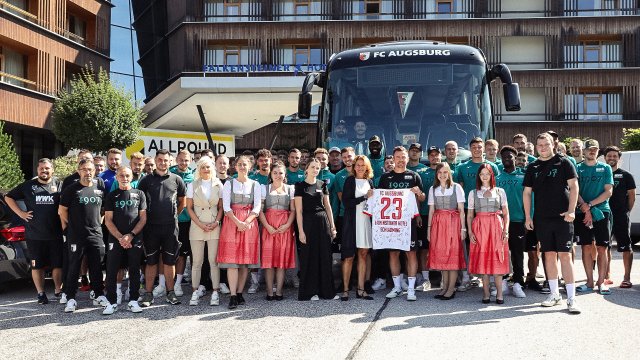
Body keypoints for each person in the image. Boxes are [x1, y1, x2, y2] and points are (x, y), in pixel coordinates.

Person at [523, 133, 581, 314]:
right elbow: (526, 193)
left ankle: (571, 299)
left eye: (546, 144)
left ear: (553, 144)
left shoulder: (564, 162)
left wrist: (572, 210)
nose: (542, 147)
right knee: (548, 255)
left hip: (563, 217)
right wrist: (528, 217)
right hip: (542, 218)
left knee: (565, 255)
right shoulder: (532, 167)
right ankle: (554, 294)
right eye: (539, 144)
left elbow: (574, 187)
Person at [5, 158, 63, 304]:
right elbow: (8, 197)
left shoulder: (59, 184)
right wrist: (21, 213)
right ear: (37, 170)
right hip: (34, 234)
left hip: (55, 233)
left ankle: (58, 290)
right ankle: (41, 293)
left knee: (58, 264)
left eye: (47, 168)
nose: (44, 171)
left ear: (52, 170)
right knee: (37, 266)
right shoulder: (29, 185)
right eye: (42, 168)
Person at [137, 149, 187, 306]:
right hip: (150, 228)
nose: (163, 163)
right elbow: (140, 204)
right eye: (160, 160)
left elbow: (182, 202)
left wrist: (172, 216)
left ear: (170, 162)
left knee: (169, 261)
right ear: (155, 160)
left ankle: (170, 293)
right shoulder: (145, 181)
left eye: (166, 160)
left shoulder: (177, 179)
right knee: (151, 261)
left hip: (170, 228)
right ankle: (148, 294)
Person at [58, 159, 107, 312]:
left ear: (94, 171)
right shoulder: (71, 189)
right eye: (84, 169)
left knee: (97, 266)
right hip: (76, 236)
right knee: (74, 267)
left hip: (95, 235)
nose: (88, 172)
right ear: (79, 171)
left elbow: (103, 211)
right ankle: (71, 298)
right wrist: (71, 225)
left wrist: (98, 224)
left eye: (90, 169)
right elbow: (62, 211)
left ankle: (98, 294)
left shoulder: (100, 189)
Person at [379, 146, 425, 301]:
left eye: (403, 157)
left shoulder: (414, 176)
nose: (400, 160)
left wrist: (419, 194)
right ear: (393, 158)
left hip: (409, 221)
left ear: (407, 159)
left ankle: (411, 289)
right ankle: (397, 286)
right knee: (393, 253)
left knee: (411, 253)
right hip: (392, 223)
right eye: (397, 157)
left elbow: (423, 198)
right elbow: (380, 200)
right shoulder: (385, 178)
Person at [456, 137, 500, 291]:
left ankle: (492, 278)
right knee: (469, 243)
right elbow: (459, 190)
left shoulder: (492, 166)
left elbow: (497, 190)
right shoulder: (462, 167)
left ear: (483, 148)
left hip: (488, 212)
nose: (477, 149)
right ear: (470, 148)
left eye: (479, 147)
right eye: (474, 146)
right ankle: (468, 277)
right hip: (470, 210)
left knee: (489, 244)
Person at [217, 156, 261, 309]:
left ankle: (240, 292)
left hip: (249, 224)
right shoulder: (229, 184)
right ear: (235, 167)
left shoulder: (255, 184)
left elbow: (257, 207)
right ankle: (233, 295)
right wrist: (238, 223)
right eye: (240, 164)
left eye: (245, 164)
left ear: (249, 167)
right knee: (232, 262)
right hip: (232, 223)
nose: (242, 167)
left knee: (245, 263)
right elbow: (226, 207)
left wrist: (246, 222)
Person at [103, 166, 147, 315]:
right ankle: (111, 302)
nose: (124, 178)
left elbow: (143, 218)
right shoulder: (111, 195)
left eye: (127, 175)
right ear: (117, 177)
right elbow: (108, 220)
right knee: (112, 270)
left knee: (134, 269)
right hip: (116, 239)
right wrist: (121, 237)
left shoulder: (139, 194)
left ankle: (133, 300)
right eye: (121, 175)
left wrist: (131, 235)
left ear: (131, 177)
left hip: (135, 238)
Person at [295, 159, 338, 301]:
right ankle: (310, 291)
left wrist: (332, 226)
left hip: (322, 222)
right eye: (313, 167)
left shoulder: (322, 185)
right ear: (306, 169)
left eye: (318, 167)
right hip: (307, 223)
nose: (315, 170)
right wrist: (301, 231)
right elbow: (299, 211)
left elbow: (328, 207)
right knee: (310, 257)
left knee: (325, 256)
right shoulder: (300, 186)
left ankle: (327, 292)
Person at [467, 164, 510, 304]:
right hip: (480, 228)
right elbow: (469, 215)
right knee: (483, 259)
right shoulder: (473, 193)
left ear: (492, 175)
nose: (484, 176)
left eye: (487, 173)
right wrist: (470, 232)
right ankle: (485, 294)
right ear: (478, 176)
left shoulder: (500, 191)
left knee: (497, 258)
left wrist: (506, 230)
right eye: (482, 174)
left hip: (496, 227)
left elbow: (506, 214)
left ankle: (499, 294)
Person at [575, 139, 613, 295]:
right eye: (589, 149)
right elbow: (574, 190)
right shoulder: (577, 168)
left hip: (601, 211)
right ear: (583, 151)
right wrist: (584, 207)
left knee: (602, 247)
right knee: (586, 246)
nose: (592, 151)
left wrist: (589, 205)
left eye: (595, 149)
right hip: (582, 212)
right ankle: (589, 281)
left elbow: (608, 191)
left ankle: (601, 282)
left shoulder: (605, 168)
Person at [186, 157, 224, 306]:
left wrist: (216, 222)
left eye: (208, 167)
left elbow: (221, 207)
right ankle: (195, 291)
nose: (206, 170)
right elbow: (189, 207)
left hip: (214, 226)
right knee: (196, 262)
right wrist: (201, 224)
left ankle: (215, 292)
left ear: (212, 168)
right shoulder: (192, 185)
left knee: (213, 261)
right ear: (199, 169)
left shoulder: (218, 184)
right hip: (197, 226)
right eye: (203, 167)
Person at [427, 162, 466, 300]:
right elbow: (431, 210)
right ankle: (444, 286)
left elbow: (461, 210)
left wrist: (463, 228)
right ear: (436, 174)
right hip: (438, 224)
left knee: (453, 254)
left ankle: (451, 288)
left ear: (449, 173)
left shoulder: (457, 188)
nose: (442, 175)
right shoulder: (433, 189)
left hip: (453, 223)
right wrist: (429, 229)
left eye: (445, 172)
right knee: (442, 254)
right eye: (440, 173)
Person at [259, 161, 296, 300]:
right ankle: (269, 292)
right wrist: (267, 226)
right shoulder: (264, 188)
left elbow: (293, 210)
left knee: (281, 261)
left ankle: (279, 291)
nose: (278, 175)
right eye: (275, 172)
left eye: (280, 172)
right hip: (268, 226)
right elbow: (260, 211)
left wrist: (287, 225)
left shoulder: (290, 189)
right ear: (271, 174)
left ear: (285, 174)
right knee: (269, 262)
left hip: (284, 227)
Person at [340, 155, 374, 301]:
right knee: (349, 257)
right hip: (352, 222)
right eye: (357, 165)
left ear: (367, 167)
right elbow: (346, 203)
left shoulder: (370, 182)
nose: (360, 167)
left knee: (363, 255)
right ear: (354, 167)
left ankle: (361, 289)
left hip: (366, 222)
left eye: (363, 165)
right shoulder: (349, 181)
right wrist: (364, 197)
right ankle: (346, 290)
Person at [496, 146, 528, 298]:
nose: (507, 159)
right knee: (501, 253)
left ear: (516, 158)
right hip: (500, 222)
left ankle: (518, 283)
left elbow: (530, 200)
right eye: (504, 157)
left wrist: (529, 218)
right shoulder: (497, 179)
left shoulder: (523, 176)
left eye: (510, 157)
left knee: (517, 253)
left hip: (518, 220)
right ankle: (502, 283)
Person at [605, 146, 636, 287]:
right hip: (604, 215)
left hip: (621, 216)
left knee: (626, 246)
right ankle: (607, 276)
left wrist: (625, 212)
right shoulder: (603, 174)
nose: (611, 158)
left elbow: (632, 197)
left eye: (614, 156)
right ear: (605, 158)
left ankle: (626, 277)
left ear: (619, 158)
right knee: (605, 247)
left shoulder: (626, 175)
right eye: (609, 156)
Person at [169, 150, 195, 298]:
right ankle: (171, 283)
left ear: (190, 161)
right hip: (174, 220)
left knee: (187, 254)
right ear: (176, 160)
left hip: (190, 221)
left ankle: (180, 283)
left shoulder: (194, 175)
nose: (183, 163)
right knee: (174, 254)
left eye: (186, 160)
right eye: (181, 160)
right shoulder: (171, 174)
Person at [415, 146, 441, 291]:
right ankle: (426, 279)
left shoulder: (447, 172)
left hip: (443, 215)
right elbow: (418, 195)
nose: (434, 157)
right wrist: (418, 213)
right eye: (431, 155)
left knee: (441, 247)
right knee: (424, 247)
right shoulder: (422, 173)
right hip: (425, 214)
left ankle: (444, 277)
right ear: (428, 157)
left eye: (436, 155)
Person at [247, 148, 272, 293]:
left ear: (271, 161)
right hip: (255, 219)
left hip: (273, 219)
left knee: (271, 250)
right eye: (261, 160)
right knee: (255, 250)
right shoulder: (252, 178)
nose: (264, 163)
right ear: (257, 162)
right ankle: (254, 281)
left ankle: (272, 279)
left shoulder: (275, 175)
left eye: (266, 160)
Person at [214, 154, 231, 294]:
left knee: (226, 253)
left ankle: (224, 281)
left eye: (225, 163)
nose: (222, 165)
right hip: (212, 221)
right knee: (211, 253)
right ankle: (206, 282)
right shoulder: (210, 181)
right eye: (219, 163)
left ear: (229, 165)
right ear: (215, 164)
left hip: (229, 222)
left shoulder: (232, 182)